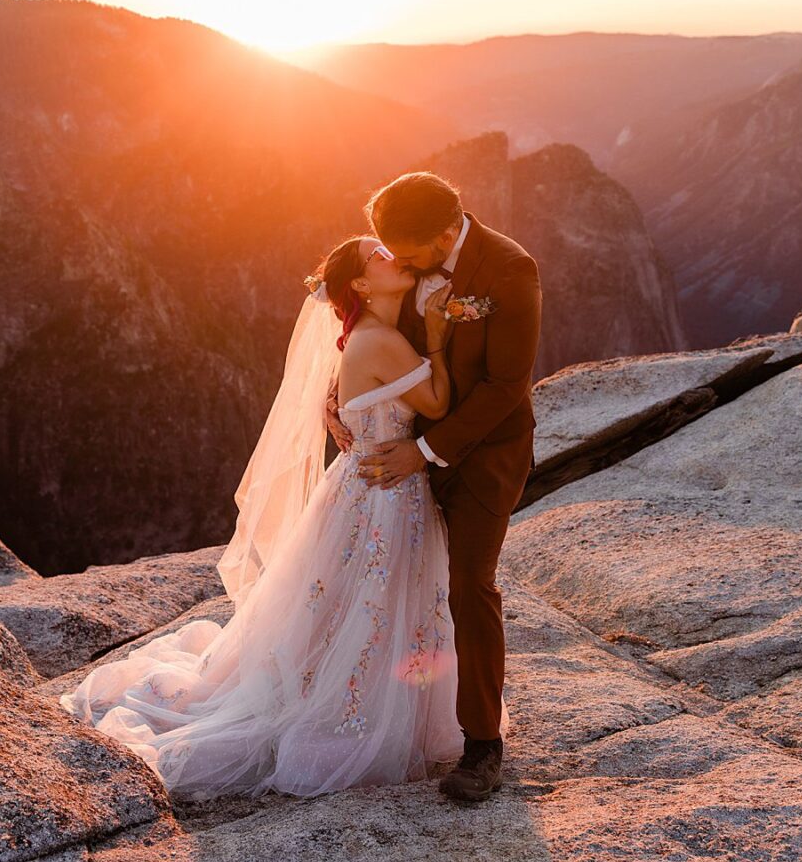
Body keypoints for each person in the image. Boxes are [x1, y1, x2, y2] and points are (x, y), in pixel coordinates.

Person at [60, 233, 484, 801]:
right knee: (370, 600)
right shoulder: (378, 339)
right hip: (382, 495)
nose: (394, 257)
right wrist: (436, 335)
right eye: (378, 256)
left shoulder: (372, 334)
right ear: (360, 284)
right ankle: (353, 709)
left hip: (378, 485)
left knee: (359, 602)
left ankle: (372, 697)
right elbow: (436, 404)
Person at [328, 171, 542, 803]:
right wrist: (335, 396)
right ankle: (382, 713)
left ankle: (481, 747)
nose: (399, 260)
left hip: (481, 457)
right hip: (402, 449)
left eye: (410, 252)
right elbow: (369, 327)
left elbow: (507, 387)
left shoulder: (509, 269)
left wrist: (424, 452)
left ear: (446, 232)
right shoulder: (407, 257)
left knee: (469, 583)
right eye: (388, 249)